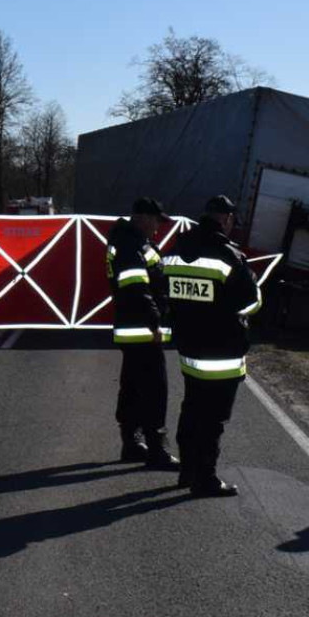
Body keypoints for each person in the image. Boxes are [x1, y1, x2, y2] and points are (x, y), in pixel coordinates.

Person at [163, 195, 263, 497]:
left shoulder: (176, 249)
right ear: (227, 219)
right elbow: (250, 301)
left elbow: (164, 289)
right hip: (221, 351)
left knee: (191, 408)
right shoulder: (228, 255)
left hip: (189, 348)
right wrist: (253, 281)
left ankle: (187, 470)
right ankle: (205, 479)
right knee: (213, 418)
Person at [106, 197, 179, 470]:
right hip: (143, 328)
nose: (158, 227)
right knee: (154, 390)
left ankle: (132, 443)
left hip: (132, 327)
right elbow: (137, 288)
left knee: (133, 386)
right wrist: (155, 322)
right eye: (156, 220)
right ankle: (156, 450)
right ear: (141, 217)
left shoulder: (128, 240)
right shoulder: (130, 244)